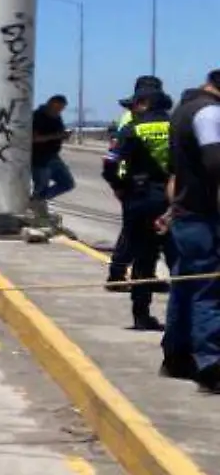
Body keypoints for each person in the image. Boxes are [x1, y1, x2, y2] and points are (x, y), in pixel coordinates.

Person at [162, 69, 220, 390]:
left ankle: (176, 356)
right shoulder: (210, 112)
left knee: (184, 286)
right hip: (203, 215)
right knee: (208, 291)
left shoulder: (183, 110)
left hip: (186, 214)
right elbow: (215, 164)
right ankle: (211, 365)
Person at [102, 88, 174, 331]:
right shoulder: (176, 126)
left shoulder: (131, 129)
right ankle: (184, 319)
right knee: (180, 262)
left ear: (144, 104)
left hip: (140, 199)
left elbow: (110, 163)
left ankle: (141, 315)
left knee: (144, 258)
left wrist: (119, 187)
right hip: (173, 200)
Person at [104, 77, 166, 290]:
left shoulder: (129, 116)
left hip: (132, 181)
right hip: (138, 181)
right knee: (137, 233)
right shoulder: (134, 120)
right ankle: (120, 275)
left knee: (141, 233)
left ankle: (139, 276)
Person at [31, 94, 75, 208]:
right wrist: (57, 136)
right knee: (41, 187)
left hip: (53, 156)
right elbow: (34, 138)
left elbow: (58, 133)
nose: (59, 111)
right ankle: (35, 205)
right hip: (39, 158)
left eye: (62, 109)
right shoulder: (37, 116)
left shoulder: (57, 117)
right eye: (58, 108)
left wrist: (64, 135)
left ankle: (37, 201)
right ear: (50, 104)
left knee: (68, 183)